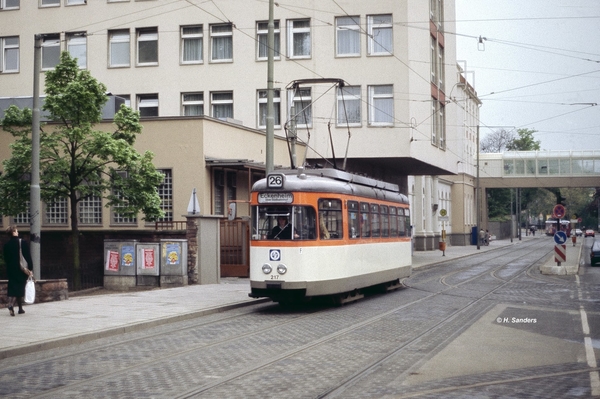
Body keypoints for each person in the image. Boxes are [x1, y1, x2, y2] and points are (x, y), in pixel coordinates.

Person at [3, 225, 33, 316]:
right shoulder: (22, 242)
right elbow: (27, 255)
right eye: (16, 231)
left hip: (11, 269)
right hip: (21, 269)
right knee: (20, 287)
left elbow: (6, 258)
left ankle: (20, 308)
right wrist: (30, 268)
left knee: (13, 287)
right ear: (13, 232)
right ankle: (11, 304)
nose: (18, 232)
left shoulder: (6, 245)